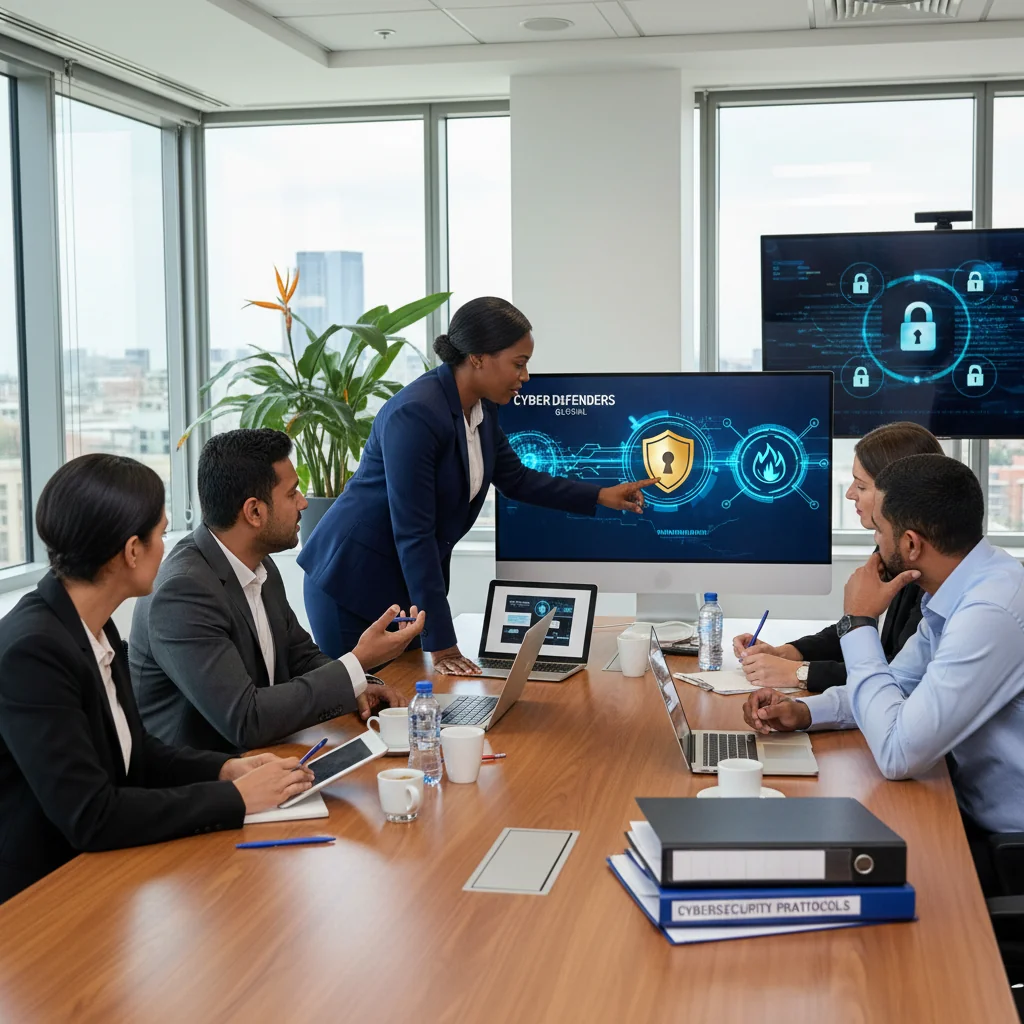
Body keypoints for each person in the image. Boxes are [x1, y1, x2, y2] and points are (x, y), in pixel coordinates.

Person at [0, 454, 313, 904]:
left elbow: (137, 752)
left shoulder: (94, 625)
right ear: (131, 551)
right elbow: (93, 814)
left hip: (102, 875)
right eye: (161, 533)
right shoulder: (33, 652)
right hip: (41, 898)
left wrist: (226, 770)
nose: (169, 546)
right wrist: (237, 800)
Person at [298, 296, 656, 674]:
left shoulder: (483, 410)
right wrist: (443, 645)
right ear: (478, 357)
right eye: (519, 364)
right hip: (350, 585)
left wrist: (601, 495)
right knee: (361, 703)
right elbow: (414, 534)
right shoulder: (416, 414)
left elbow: (516, 479)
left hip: (400, 591)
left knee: (406, 704)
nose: (526, 376)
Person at [742, 454, 1024, 848]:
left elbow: (897, 753)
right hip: (965, 809)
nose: (875, 541)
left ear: (910, 544)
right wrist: (806, 712)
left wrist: (858, 621)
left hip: (1006, 844)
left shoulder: (989, 612)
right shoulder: (962, 588)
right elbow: (897, 684)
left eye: (879, 531)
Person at [131, 429, 418, 754]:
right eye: (292, 493)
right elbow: (245, 719)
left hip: (268, 759)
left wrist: (362, 685)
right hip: (204, 783)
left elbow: (301, 657)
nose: (303, 503)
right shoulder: (183, 593)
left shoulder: (259, 565)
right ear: (254, 512)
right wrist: (359, 660)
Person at [732, 421, 942, 692]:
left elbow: (899, 673)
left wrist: (800, 673)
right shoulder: (889, 545)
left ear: (898, 495)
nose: (849, 494)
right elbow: (857, 635)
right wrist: (787, 653)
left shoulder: (931, 566)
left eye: (862, 487)